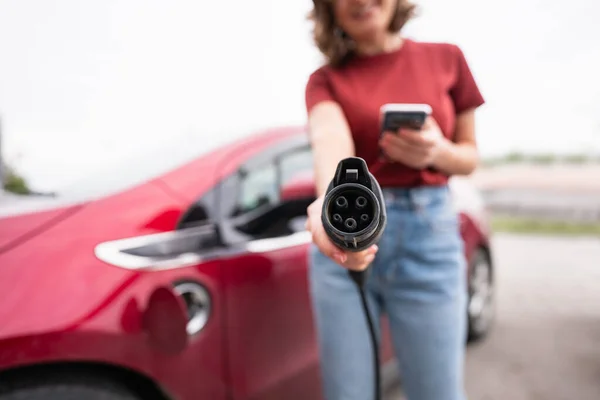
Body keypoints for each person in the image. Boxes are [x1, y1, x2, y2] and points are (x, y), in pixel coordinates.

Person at [303, 1, 485, 399]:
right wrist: (325, 207)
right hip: (344, 241)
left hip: (429, 234)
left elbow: (470, 156)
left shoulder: (447, 58)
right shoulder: (324, 80)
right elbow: (329, 141)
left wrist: (437, 152)